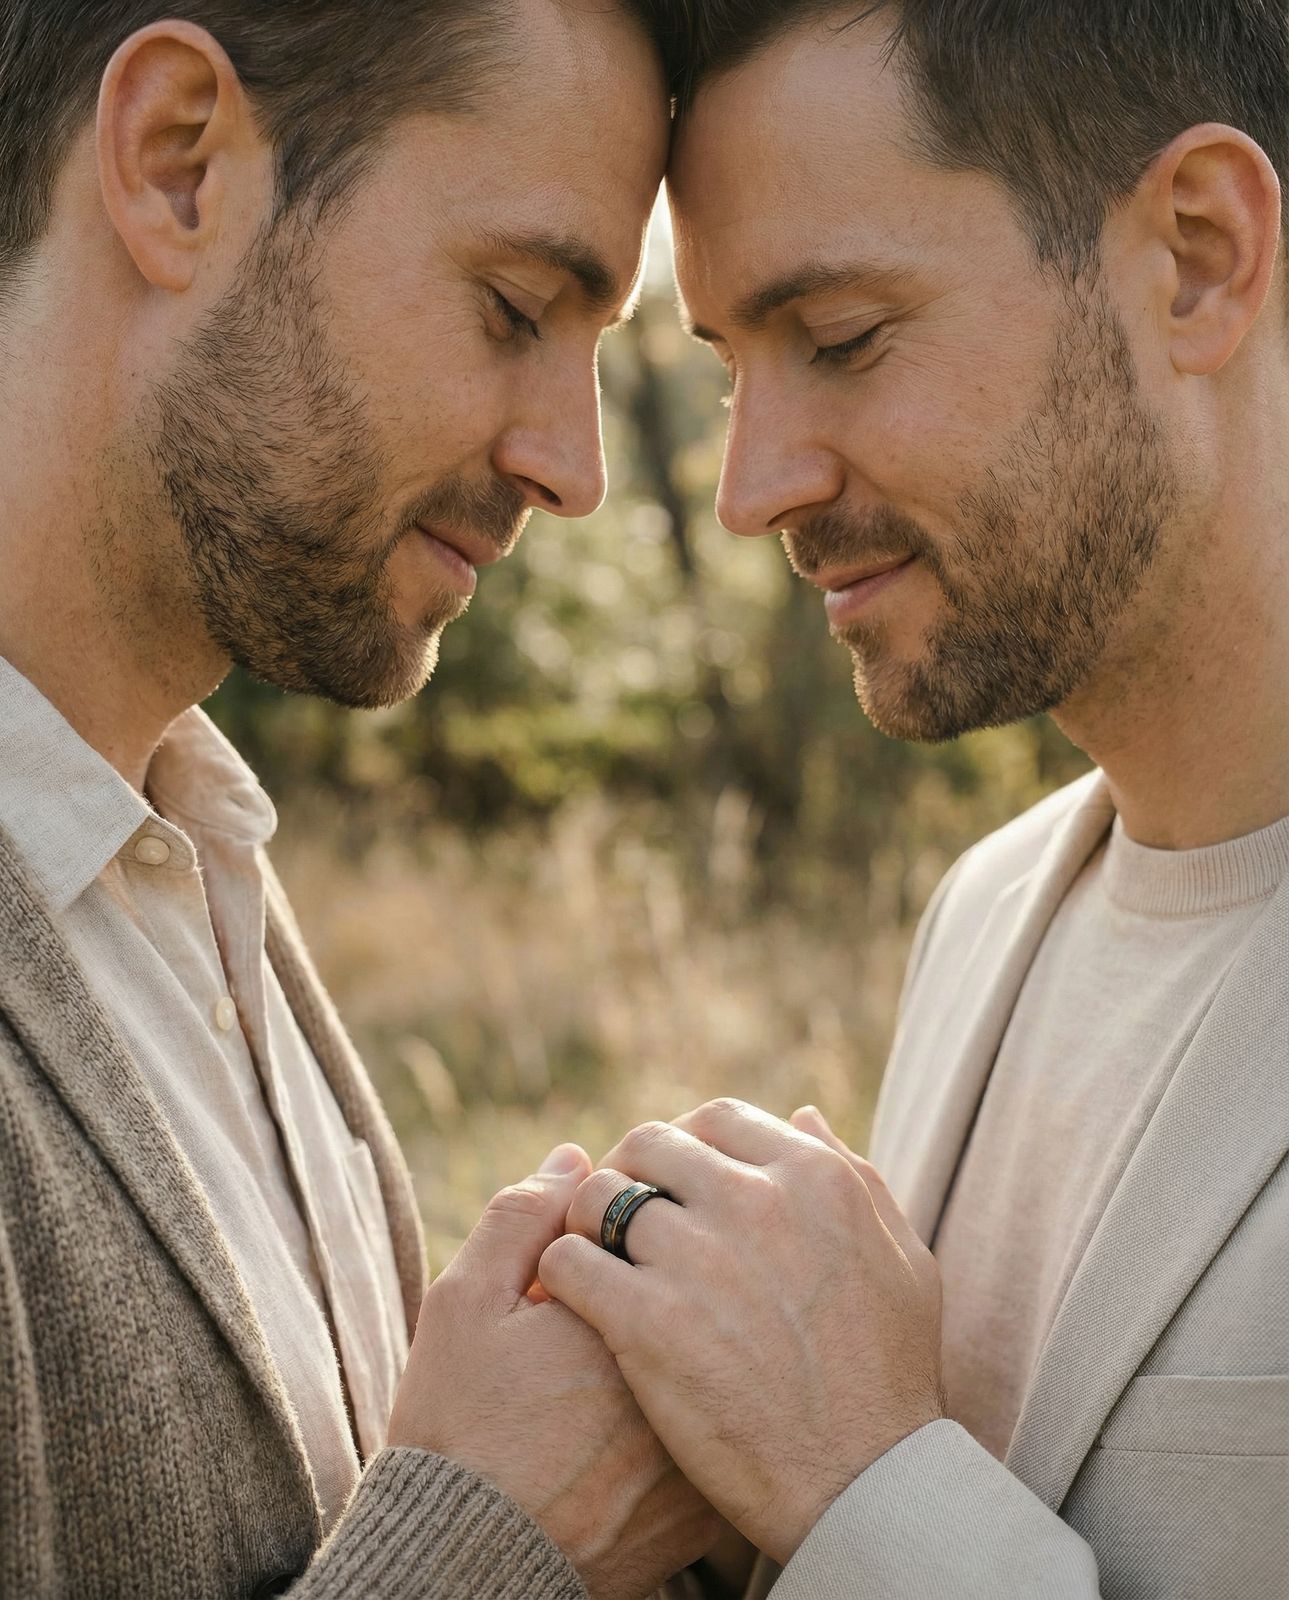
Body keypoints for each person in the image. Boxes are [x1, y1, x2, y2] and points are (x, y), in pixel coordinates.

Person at [538, 3, 1289, 1596]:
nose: (755, 490)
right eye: (734, 368)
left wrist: (859, 1485)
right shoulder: (988, 912)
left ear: (1199, 256)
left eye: (843, 338)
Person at [0, 2, 717, 1595]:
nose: (573, 467)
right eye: (514, 306)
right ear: (180, 164)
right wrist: (499, 1535)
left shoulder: (188, 862)